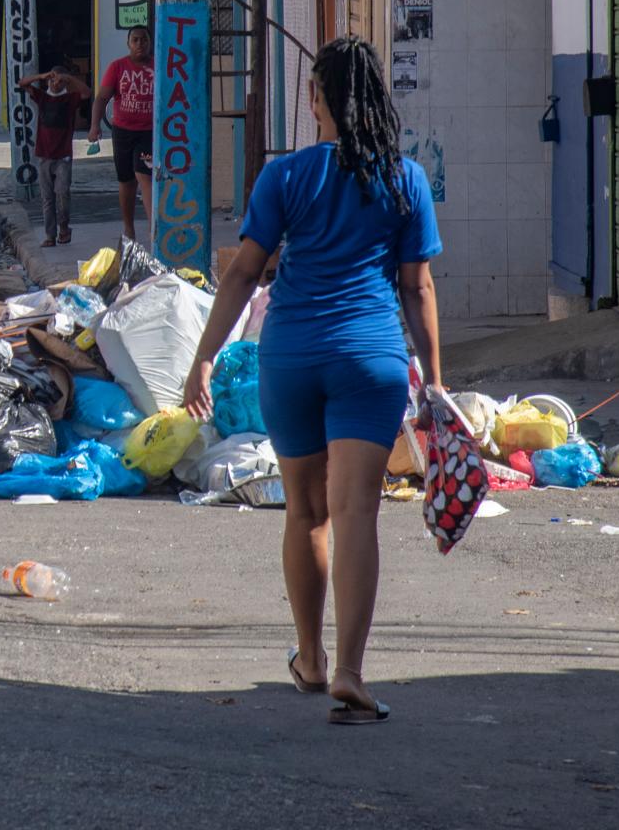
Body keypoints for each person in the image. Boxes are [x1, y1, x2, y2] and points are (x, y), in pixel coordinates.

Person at [179, 36, 442, 726]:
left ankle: (309, 656)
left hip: (292, 358)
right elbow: (417, 288)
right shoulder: (404, 178)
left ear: (315, 98)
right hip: (371, 360)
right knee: (358, 512)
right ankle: (351, 671)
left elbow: (242, 273)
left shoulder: (285, 177)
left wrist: (205, 357)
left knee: (307, 513)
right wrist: (437, 382)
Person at [86, 25, 155, 242]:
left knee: (145, 175)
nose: (139, 44)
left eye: (143, 40)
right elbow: (101, 98)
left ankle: (155, 229)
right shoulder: (118, 67)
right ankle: (129, 228)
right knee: (126, 181)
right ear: (128, 43)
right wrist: (94, 126)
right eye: (135, 40)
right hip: (123, 131)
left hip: (149, 132)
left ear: (150, 42)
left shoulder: (158, 66)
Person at [19, 53, 89, 248]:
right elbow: (22, 83)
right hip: (43, 155)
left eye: (58, 81)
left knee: (62, 194)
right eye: (52, 80)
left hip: (63, 155)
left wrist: (69, 78)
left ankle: (64, 228)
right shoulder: (42, 97)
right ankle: (50, 235)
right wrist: (41, 76)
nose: (55, 84)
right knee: (47, 198)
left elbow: (87, 93)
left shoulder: (70, 99)